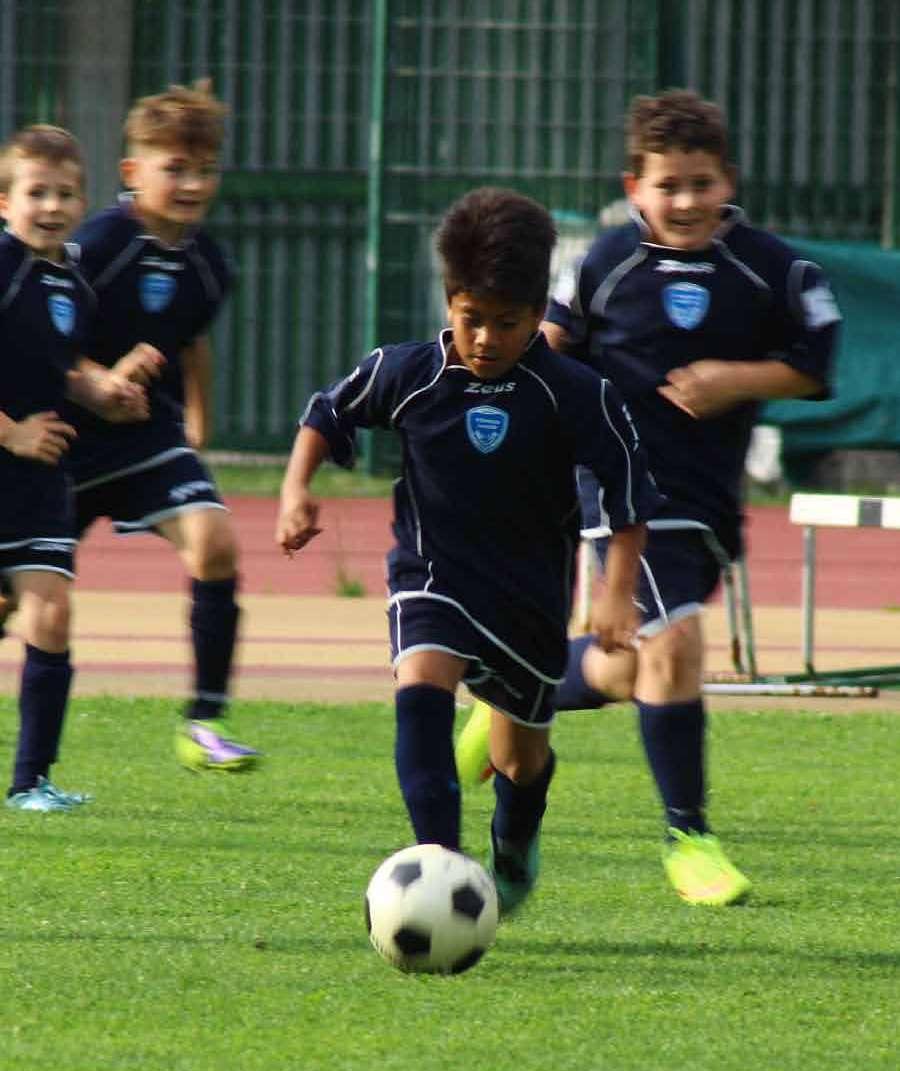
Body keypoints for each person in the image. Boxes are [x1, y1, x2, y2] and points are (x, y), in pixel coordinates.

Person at [456, 90, 841, 906]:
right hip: (618, 486)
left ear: (727, 180)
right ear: (635, 186)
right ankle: (688, 837)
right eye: (669, 186)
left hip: (707, 499)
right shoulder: (603, 265)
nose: (687, 201)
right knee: (675, 646)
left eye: (702, 183)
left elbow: (814, 364)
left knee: (626, 663)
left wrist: (734, 378)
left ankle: (507, 684)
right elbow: (546, 353)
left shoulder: (770, 268)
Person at [276, 187, 659, 913]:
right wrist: (298, 487)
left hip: (528, 600)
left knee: (521, 759)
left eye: (507, 323)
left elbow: (629, 488)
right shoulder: (410, 371)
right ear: (448, 300)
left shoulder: (574, 392)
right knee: (420, 686)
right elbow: (327, 412)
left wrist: (615, 589)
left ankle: (513, 842)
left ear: (540, 308)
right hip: (432, 577)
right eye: (470, 318)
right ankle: (442, 865)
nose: (485, 338)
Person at [66, 80, 259, 773]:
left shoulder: (212, 264)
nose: (190, 183)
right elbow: (42, 335)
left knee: (215, 543)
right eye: (173, 168)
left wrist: (199, 419)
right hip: (63, 436)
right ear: (132, 172)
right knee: (20, 591)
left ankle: (204, 721)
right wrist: (99, 382)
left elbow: (189, 339)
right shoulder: (98, 244)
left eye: (203, 169)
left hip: (148, 435)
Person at [0, 126, 150, 810]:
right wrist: (13, 432)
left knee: (51, 614)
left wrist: (104, 393)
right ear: (5, 202)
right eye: (36, 193)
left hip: (37, 484)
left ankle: (31, 782)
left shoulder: (75, 282)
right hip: (14, 457)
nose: (52, 206)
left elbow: (58, 368)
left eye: (65, 194)